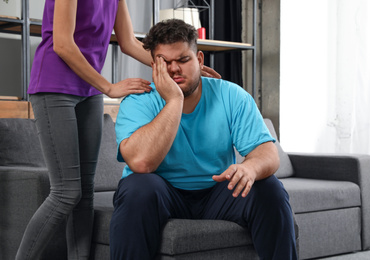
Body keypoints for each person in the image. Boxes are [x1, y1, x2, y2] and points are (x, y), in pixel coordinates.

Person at [16, 1, 220, 259]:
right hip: (54, 85)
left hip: (88, 91)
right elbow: (63, 44)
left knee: (86, 192)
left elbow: (129, 43)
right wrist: (109, 87)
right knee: (67, 192)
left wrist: (185, 69)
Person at [110, 18, 298, 260]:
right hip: (162, 192)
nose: (174, 69)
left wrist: (250, 168)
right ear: (153, 65)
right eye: (164, 62)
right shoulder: (138, 101)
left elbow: (268, 154)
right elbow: (142, 163)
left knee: (268, 187)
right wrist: (174, 101)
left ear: (199, 60)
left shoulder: (231, 95)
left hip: (218, 191)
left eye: (183, 60)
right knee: (138, 186)